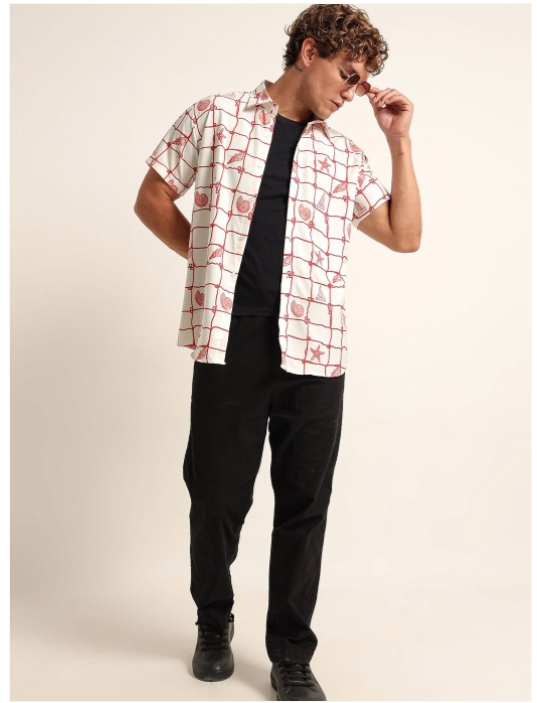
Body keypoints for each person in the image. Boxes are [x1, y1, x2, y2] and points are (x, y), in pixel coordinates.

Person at [134, 4, 421, 700]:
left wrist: (399, 142)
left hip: (316, 352)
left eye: (362, 82)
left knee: (304, 505)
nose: (352, 93)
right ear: (309, 51)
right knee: (216, 497)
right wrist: (210, 266)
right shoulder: (216, 116)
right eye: (347, 74)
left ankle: (291, 651)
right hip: (230, 343)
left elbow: (404, 235)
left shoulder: (341, 154)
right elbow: (152, 198)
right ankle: (213, 622)